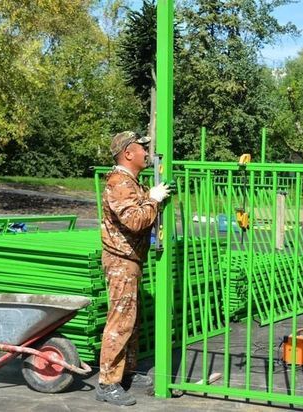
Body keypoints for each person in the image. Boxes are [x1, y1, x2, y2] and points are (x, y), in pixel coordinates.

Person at [96, 131, 171, 406]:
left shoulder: (131, 182)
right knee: (120, 321)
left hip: (130, 259)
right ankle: (107, 383)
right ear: (128, 153)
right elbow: (136, 220)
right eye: (142, 148)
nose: (147, 152)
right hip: (120, 261)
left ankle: (125, 371)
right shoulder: (119, 183)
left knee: (131, 320)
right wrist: (153, 199)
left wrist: (149, 195)